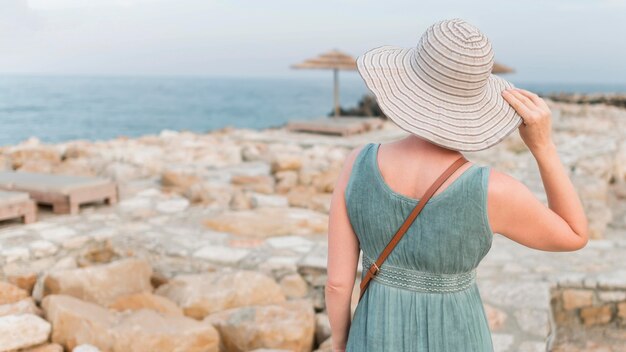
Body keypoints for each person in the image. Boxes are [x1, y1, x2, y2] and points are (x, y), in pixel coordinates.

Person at [325, 18, 589, 352]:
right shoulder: (492, 190)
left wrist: (340, 342)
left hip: (373, 335)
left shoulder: (357, 163)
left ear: (407, 85)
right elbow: (574, 234)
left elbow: (337, 284)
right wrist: (543, 148)